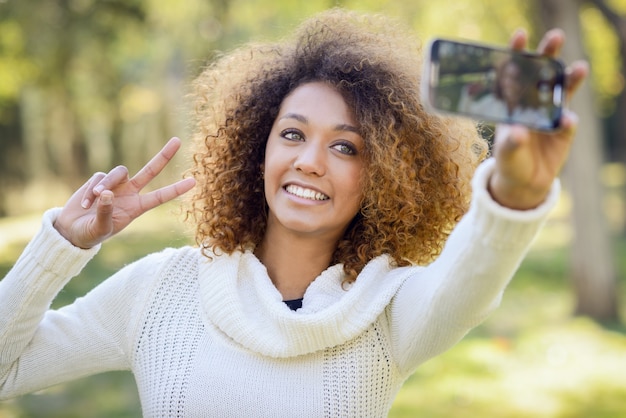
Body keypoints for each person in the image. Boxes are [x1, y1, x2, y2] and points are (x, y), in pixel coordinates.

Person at [0, 9, 587, 417]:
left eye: (344, 146)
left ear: (381, 173)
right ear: (258, 150)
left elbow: (470, 284)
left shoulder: (389, 308)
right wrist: (60, 247)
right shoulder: (160, 289)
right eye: (292, 134)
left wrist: (514, 192)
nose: (310, 161)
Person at [458, 55, 555, 129]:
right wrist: (468, 95)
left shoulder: (535, 114)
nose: (508, 83)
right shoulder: (491, 102)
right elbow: (466, 116)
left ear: (526, 84)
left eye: (516, 79)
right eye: (505, 77)